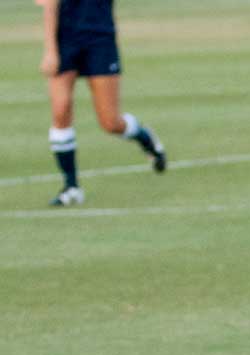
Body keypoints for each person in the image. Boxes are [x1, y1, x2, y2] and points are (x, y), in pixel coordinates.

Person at [37, 0, 166, 207]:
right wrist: (50, 50)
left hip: (100, 38)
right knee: (61, 110)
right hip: (64, 39)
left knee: (110, 122)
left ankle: (145, 137)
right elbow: (49, 5)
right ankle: (71, 187)